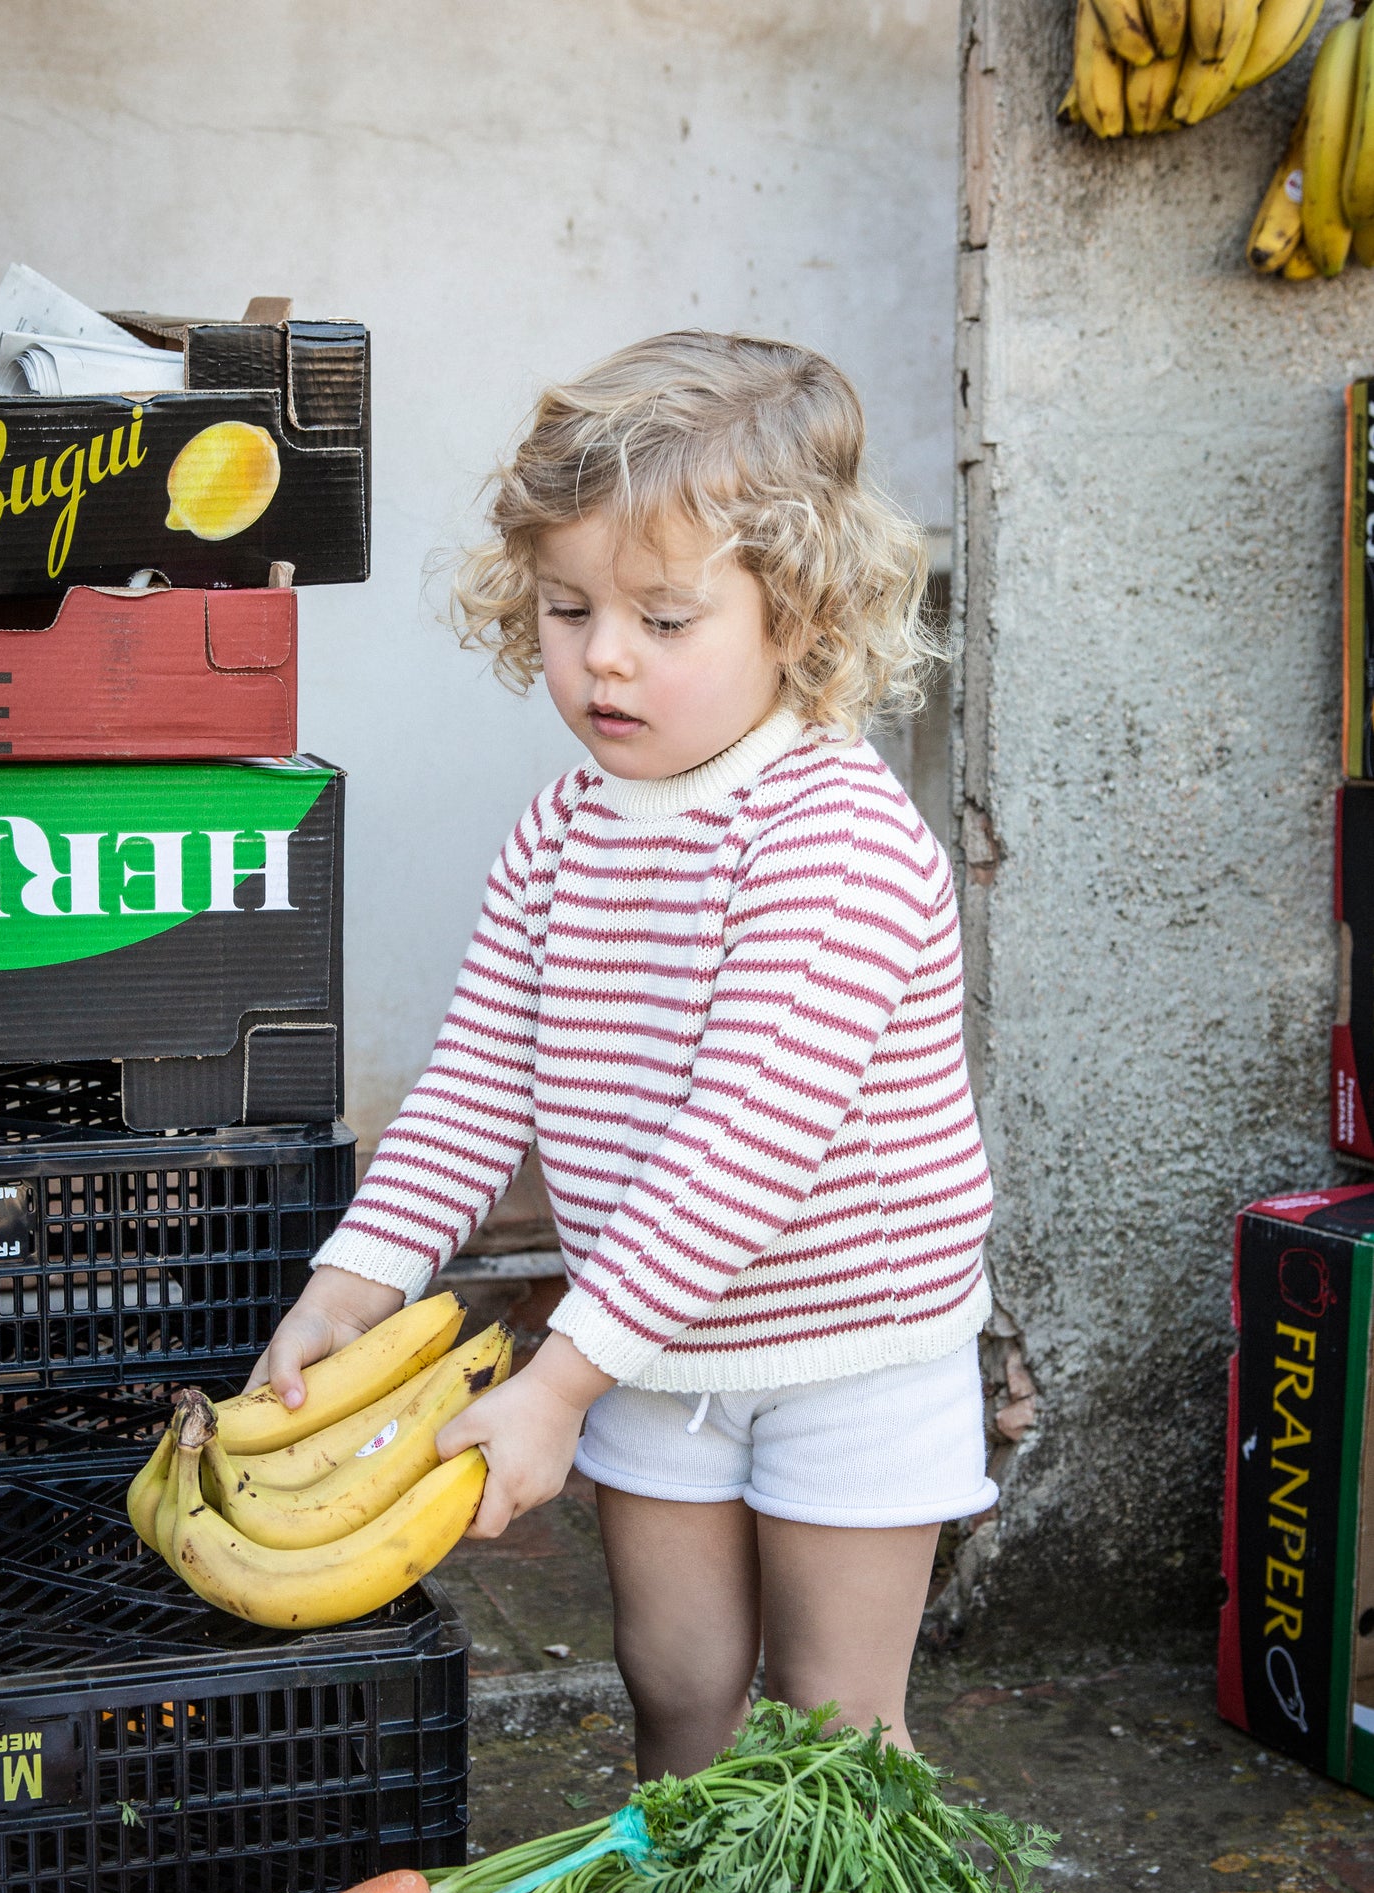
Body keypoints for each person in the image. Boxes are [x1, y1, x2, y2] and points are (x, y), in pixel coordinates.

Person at [249, 329, 996, 1783]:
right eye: (565, 606)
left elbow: (742, 1151)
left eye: (664, 619)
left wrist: (554, 1383)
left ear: (798, 614)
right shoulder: (564, 832)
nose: (601, 656)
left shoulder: (830, 842)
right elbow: (475, 1086)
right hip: (648, 1349)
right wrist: (356, 1284)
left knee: (834, 1736)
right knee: (675, 1693)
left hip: (853, 1351)